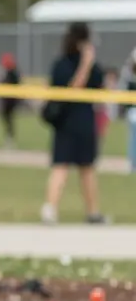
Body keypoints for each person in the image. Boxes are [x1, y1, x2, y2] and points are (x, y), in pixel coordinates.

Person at [41, 22, 107, 224]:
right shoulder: (62, 65)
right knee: (60, 167)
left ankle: (93, 212)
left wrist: (90, 64)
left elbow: (99, 85)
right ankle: (50, 209)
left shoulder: (94, 68)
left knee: (87, 168)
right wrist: (85, 64)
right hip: (66, 123)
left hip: (85, 122)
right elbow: (73, 89)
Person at [0, 52, 21, 148]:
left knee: (9, 120)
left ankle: (10, 139)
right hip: (6, 101)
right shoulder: (6, 73)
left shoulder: (13, 73)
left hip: (10, 102)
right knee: (7, 120)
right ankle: (9, 139)